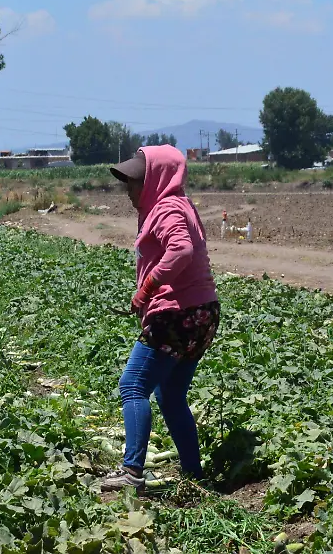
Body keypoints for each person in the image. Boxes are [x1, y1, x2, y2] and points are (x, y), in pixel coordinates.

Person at [101, 146, 220, 491]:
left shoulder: (166, 208)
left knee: (132, 385)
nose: (129, 190)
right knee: (170, 395)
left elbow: (180, 249)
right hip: (202, 314)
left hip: (178, 316)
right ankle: (194, 476)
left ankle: (131, 473)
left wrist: (148, 287)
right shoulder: (177, 204)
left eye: (135, 182)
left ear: (154, 179)